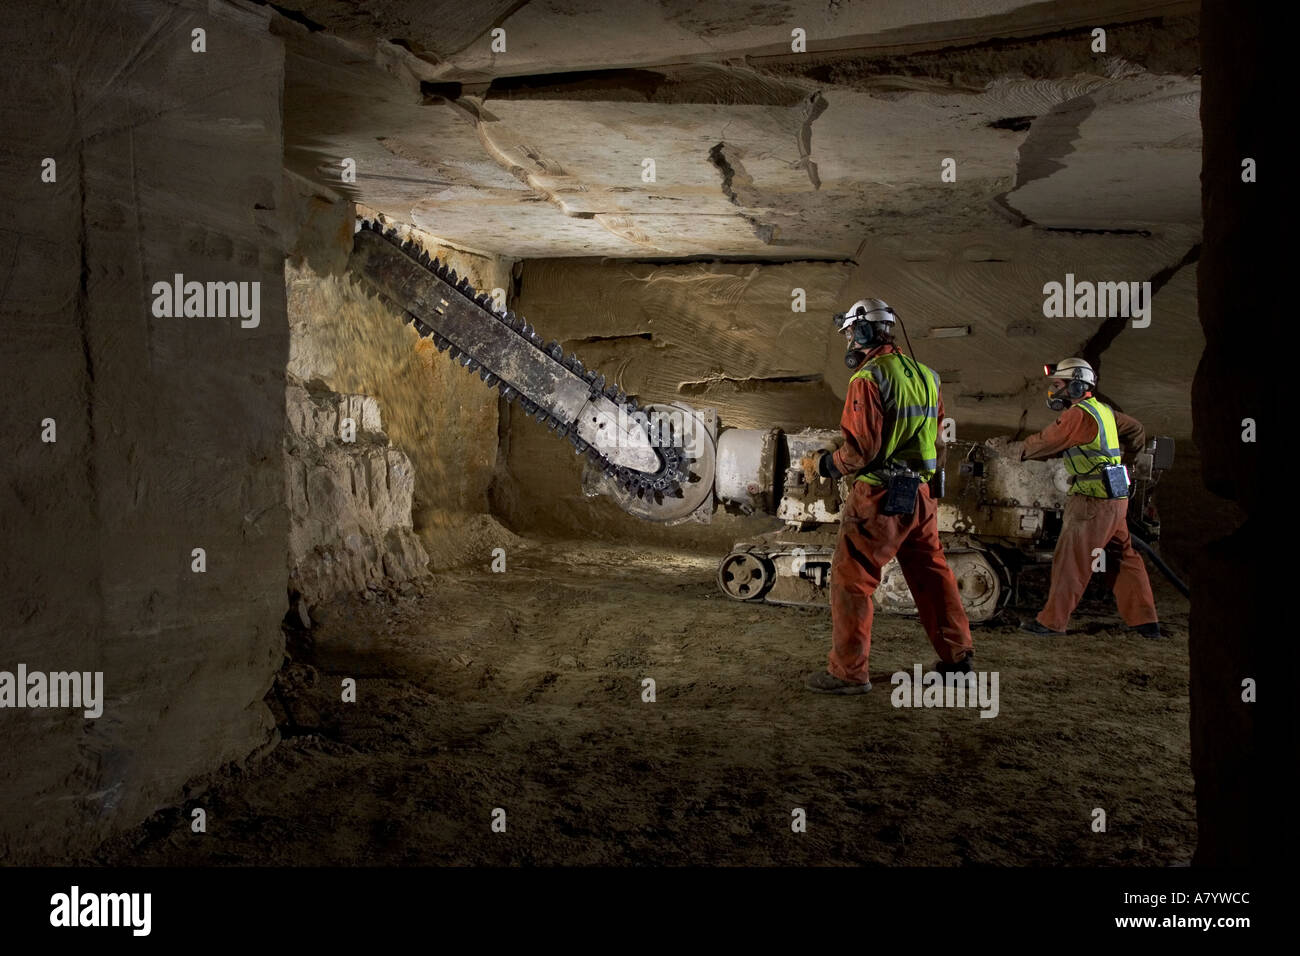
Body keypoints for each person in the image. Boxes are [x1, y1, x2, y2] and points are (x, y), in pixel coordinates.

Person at [805, 299, 974, 695]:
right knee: (933, 576)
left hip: (880, 496)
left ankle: (848, 674)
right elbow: (938, 440)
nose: (848, 339)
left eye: (850, 332)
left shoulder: (868, 377)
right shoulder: (927, 376)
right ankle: (958, 658)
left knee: (852, 580)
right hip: (920, 494)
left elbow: (861, 450)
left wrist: (827, 464)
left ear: (863, 332)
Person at [984, 358, 1159, 638]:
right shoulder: (1103, 411)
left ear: (1076, 386)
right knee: (1123, 558)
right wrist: (1126, 461)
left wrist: (1007, 449)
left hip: (1091, 501)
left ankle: (1052, 622)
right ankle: (1146, 622)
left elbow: (1042, 443)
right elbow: (1136, 429)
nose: (1054, 391)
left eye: (1058, 385)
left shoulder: (1078, 416)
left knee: (1071, 561)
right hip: (1116, 498)